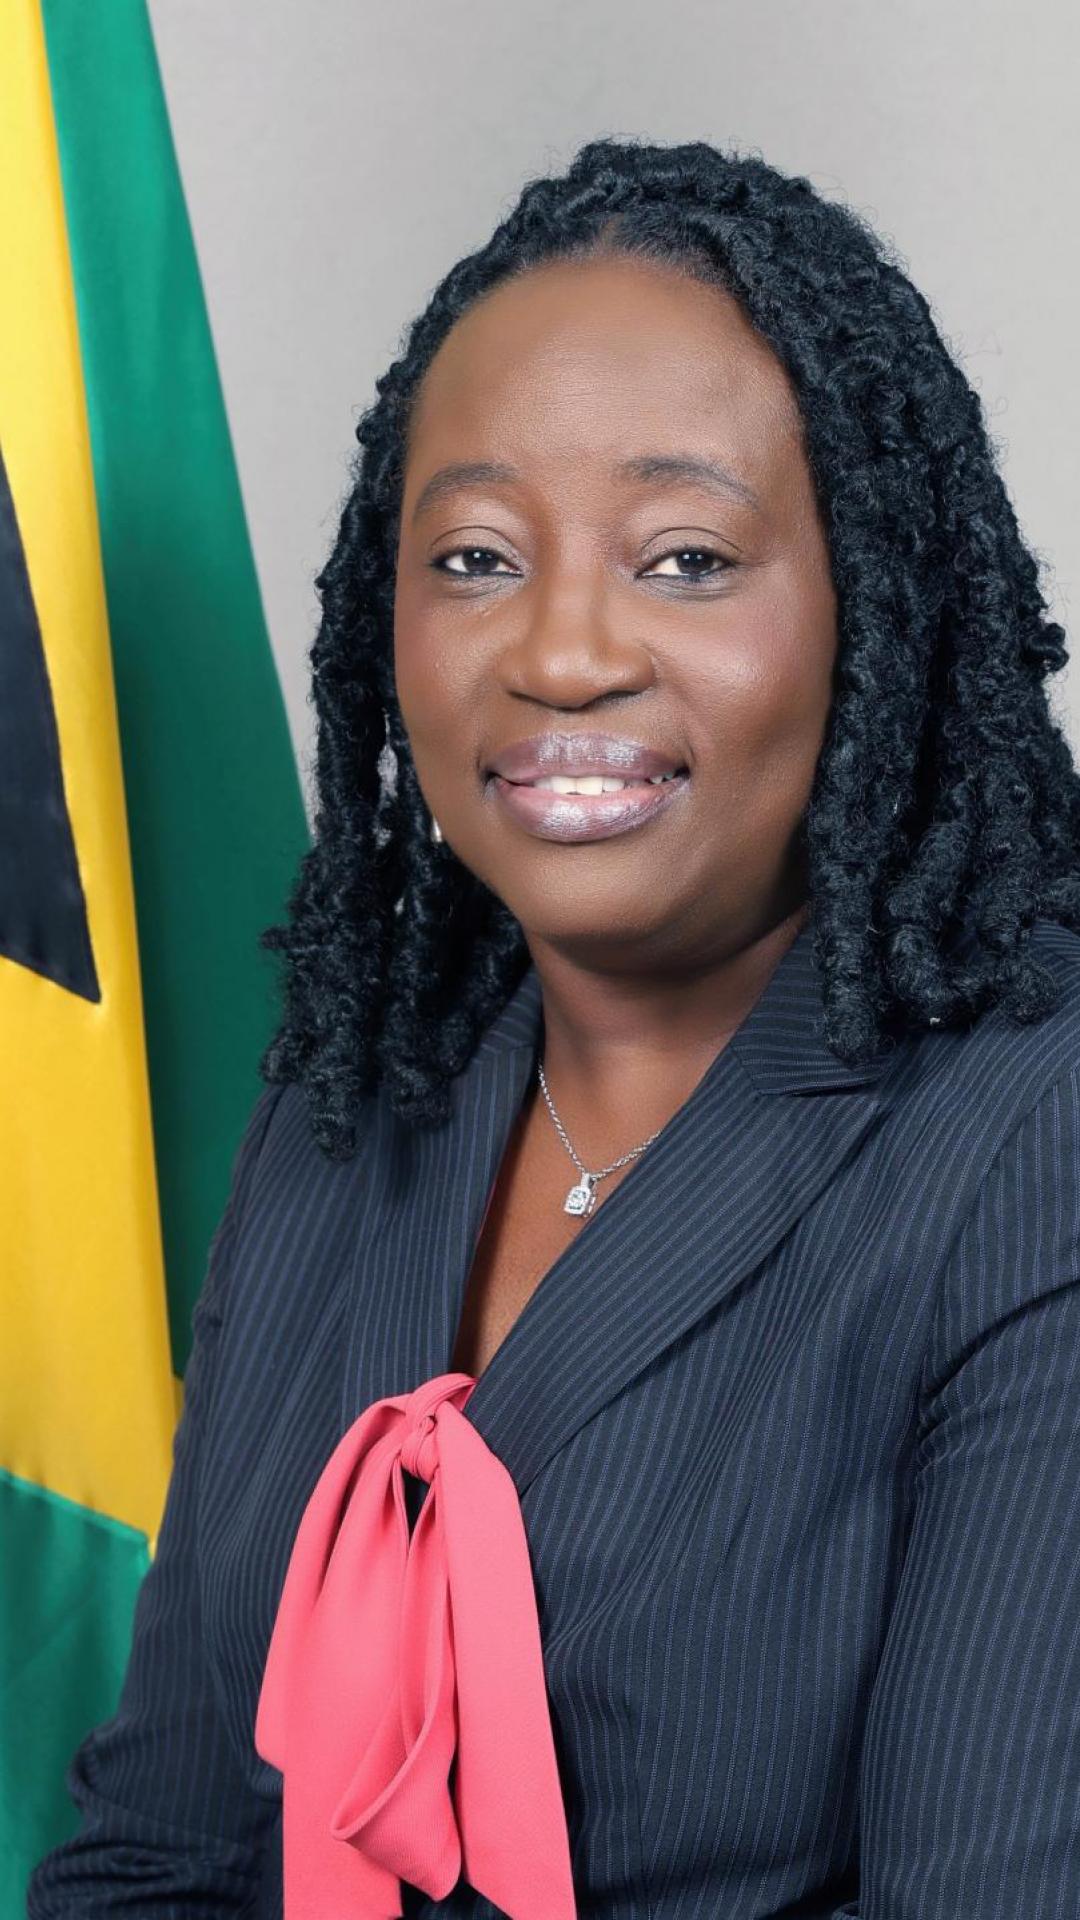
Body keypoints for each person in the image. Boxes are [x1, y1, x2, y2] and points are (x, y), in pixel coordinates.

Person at [27, 135, 1080, 1920]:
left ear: (877, 605)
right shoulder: (362, 1092)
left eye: (685, 557)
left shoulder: (1027, 1142)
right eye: (475, 556)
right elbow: (165, 1848)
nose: (563, 650)